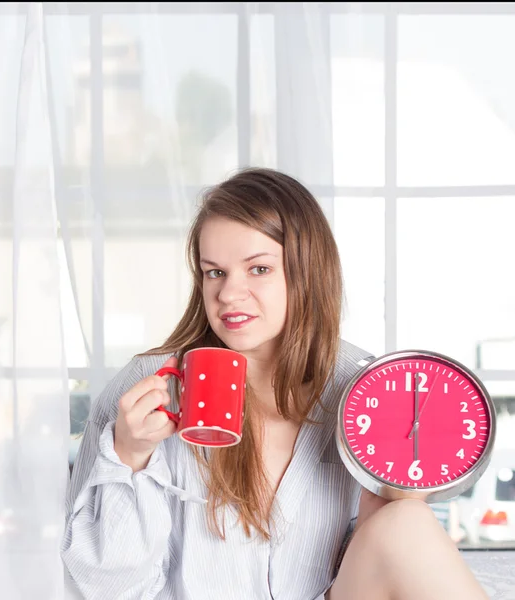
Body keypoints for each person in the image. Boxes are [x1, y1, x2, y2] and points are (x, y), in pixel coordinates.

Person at [61, 167, 489, 600]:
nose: (229, 294)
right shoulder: (148, 391)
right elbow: (107, 588)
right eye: (215, 273)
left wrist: (388, 499)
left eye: (259, 269)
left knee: (408, 524)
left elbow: (374, 563)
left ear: (305, 272)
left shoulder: (362, 388)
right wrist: (130, 455)